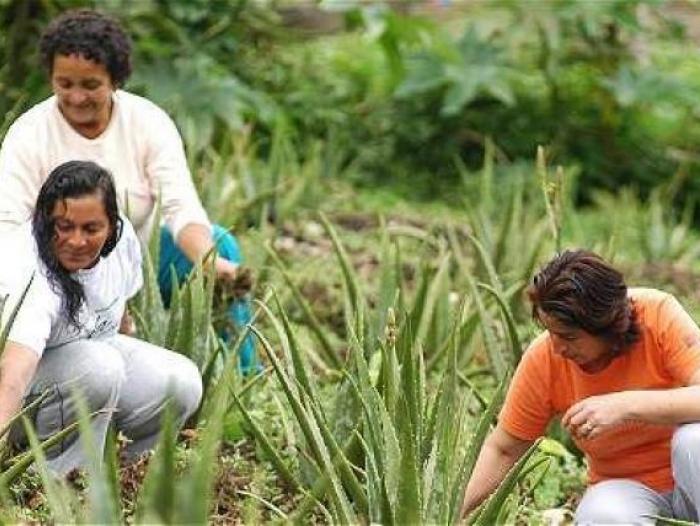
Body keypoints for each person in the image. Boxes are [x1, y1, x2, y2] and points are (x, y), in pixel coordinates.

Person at [0, 8, 257, 372]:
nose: (75, 97)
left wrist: (211, 261)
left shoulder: (148, 122)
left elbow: (181, 207)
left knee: (220, 243)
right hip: (59, 268)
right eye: (64, 84)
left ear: (115, 80)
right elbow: (8, 228)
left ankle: (242, 378)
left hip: (144, 265)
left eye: (90, 85)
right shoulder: (29, 134)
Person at [461, 250, 700, 524]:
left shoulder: (657, 314)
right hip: (626, 488)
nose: (557, 347)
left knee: (694, 440)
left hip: (691, 480)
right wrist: (452, 511)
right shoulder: (544, 358)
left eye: (569, 337)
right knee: (601, 516)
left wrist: (625, 406)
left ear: (609, 326)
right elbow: (503, 448)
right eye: (550, 332)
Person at [0, 160, 202, 475]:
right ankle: (55, 478)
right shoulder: (29, 272)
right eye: (64, 226)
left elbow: (119, 312)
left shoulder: (123, 243)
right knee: (100, 367)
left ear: (111, 227)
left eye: (91, 229)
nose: (77, 241)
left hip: (81, 362)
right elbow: (12, 373)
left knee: (181, 381)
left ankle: (130, 473)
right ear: (44, 221)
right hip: (12, 391)